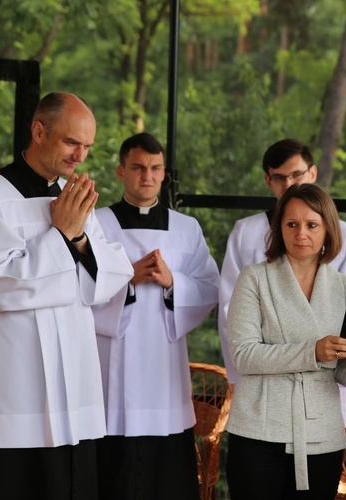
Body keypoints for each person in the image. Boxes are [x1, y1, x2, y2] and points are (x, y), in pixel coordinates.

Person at [0, 92, 134, 499]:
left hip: (74, 383)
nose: (80, 157)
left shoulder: (74, 196)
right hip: (9, 388)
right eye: (72, 143)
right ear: (38, 131)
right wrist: (62, 235)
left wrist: (79, 236)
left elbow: (111, 276)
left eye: (87, 146)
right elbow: (0, 285)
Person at [225, 183, 346, 498]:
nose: (301, 234)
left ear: (328, 230)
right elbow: (243, 355)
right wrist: (311, 352)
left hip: (321, 434)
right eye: (292, 224)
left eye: (312, 225)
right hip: (258, 430)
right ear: (279, 228)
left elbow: (340, 369)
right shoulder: (254, 278)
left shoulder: (343, 287)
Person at [91, 132, 219, 499]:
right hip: (113, 365)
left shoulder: (186, 228)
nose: (146, 176)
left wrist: (172, 282)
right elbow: (77, 287)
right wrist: (127, 278)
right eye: (138, 167)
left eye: (155, 168)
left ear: (164, 174)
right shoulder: (95, 224)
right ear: (121, 171)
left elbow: (210, 288)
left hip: (163, 367)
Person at [218, 138, 346, 386]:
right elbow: (228, 304)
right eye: (279, 177)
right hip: (264, 377)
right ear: (268, 180)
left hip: (324, 380)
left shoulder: (343, 234)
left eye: (296, 174)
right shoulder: (245, 232)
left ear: (313, 173)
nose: (289, 184)